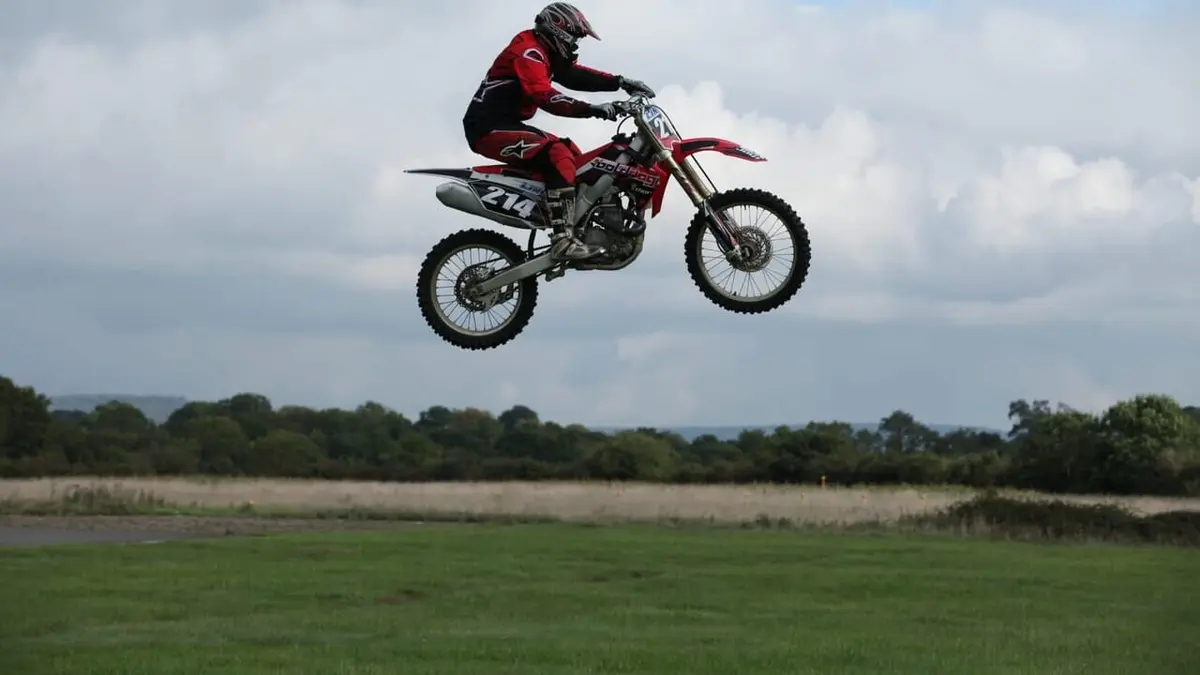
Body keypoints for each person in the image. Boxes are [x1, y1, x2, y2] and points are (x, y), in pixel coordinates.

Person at [462, 2, 656, 261]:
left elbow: (572, 75)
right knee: (558, 154)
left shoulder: (544, 51)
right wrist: (593, 109)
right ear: (558, 31)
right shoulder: (529, 52)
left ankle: (575, 220)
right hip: (487, 128)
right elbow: (544, 96)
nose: (575, 44)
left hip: (507, 124)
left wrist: (620, 82)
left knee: (572, 154)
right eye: (574, 37)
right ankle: (562, 240)